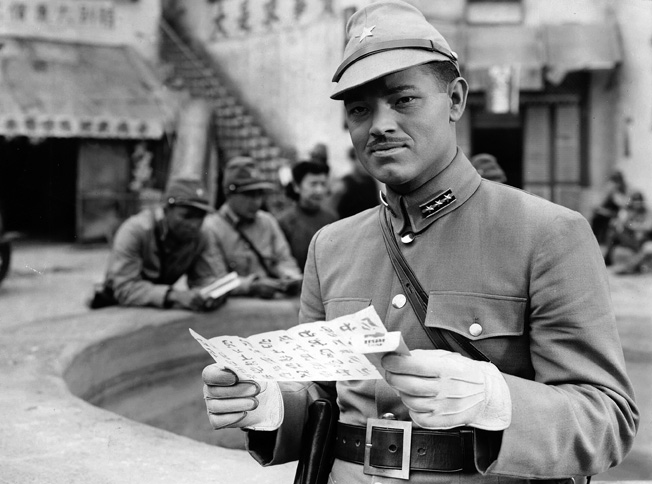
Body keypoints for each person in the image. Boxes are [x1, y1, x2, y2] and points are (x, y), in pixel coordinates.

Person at [201, 1, 639, 482]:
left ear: (455, 100)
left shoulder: (547, 234)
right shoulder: (331, 247)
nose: (380, 124)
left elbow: (607, 419)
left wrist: (498, 401)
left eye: (404, 99)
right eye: (360, 109)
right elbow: (321, 399)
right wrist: (270, 408)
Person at [98, 179, 229, 311]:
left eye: (200, 217)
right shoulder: (135, 231)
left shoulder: (201, 235)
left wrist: (210, 294)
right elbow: (124, 288)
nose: (194, 224)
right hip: (119, 309)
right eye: (186, 216)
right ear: (166, 210)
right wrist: (174, 296)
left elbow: (209, 277)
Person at [204, 156, 303, 299]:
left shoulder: (267, 221)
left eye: (259, 194)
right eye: (248, 195)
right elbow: (214, 280)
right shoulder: (211, 228)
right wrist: (250, 286)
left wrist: (289, 277)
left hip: (270, 305)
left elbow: (284, 259)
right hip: (232, 309)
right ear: (229, 194)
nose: (256, 202)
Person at [276, 161, 338, 270]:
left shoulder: (332, 218)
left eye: (323, 184)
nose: (319, 190)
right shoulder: (284, 222)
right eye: (313, 184)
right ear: (296, 186)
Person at [607, 191, 652, 274]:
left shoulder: (647, 212)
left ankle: (629, 266)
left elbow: (648, 226)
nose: (637, 205)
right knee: (614, 233)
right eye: (635, 203)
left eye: (639, 203)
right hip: (630, 239)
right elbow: (620, 223)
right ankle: (609, 260)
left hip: (642, 239)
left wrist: (634, 226)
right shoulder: (627, 211)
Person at [329, 146, 380, 219]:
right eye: (360, 160)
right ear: (353, 160)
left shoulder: (371, 181)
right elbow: (331, 212)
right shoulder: (343, 184)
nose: (365, 164)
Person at [591, 170, 629, 250]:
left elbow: (622, 204)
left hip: (615, 214)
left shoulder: (620, 191)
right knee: (596, 218)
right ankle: (595, 242)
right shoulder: (610, 190)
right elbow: (600, 204)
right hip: (608, 213)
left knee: (600, 219)